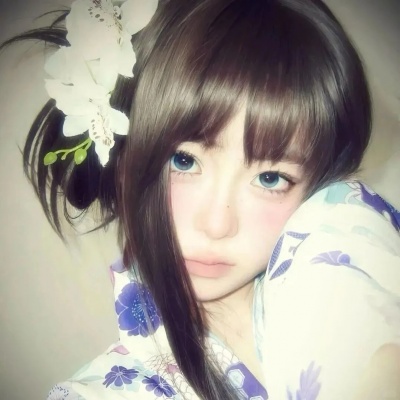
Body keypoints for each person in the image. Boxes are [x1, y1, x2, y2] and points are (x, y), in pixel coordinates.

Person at [2, 0, 400, 399]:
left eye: (270, 178)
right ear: (122, 159)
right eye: (184, 160)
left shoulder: (347, 250)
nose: (216, 224)